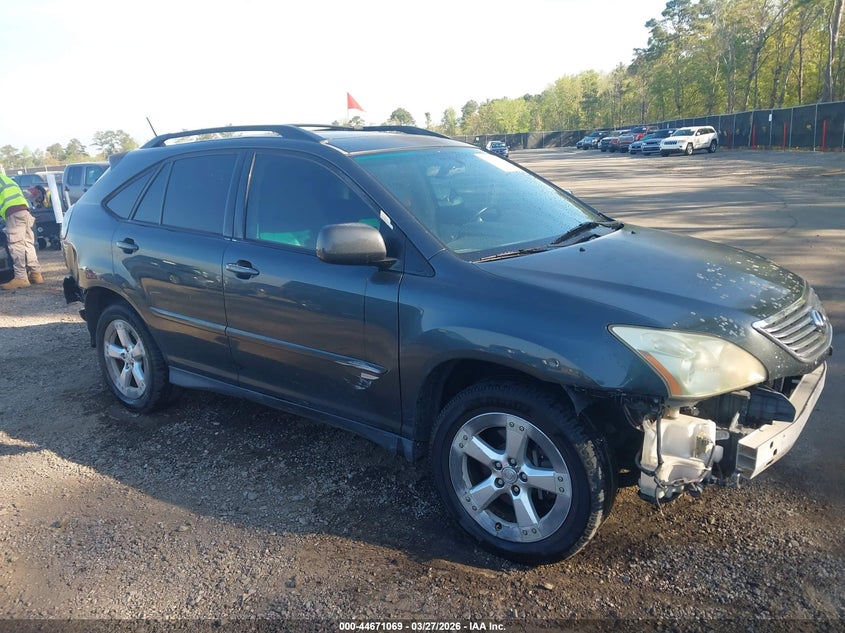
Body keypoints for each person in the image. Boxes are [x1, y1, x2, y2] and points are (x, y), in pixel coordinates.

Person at [0, 173, 43, 289]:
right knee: (28, 243)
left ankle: (21, 278)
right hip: (25, 212)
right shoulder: (8, 180)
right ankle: (36, 273)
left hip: (13, 214)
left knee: (16, 245)